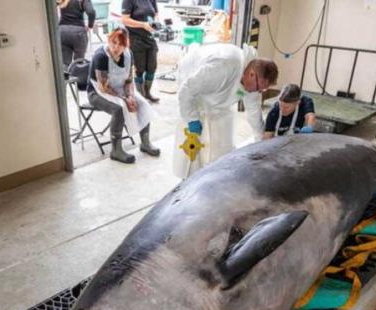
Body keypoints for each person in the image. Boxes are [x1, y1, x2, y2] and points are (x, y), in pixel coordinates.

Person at [174, 43, 278, 178]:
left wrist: (261, 142)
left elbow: (254, 111)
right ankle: (187, 181)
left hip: (218, 99)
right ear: (252, 74)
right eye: (259, 88)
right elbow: (186, 91)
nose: (258, 92)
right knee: (193, 149)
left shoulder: (254, 79)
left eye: (262, 90)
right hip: (193, 90)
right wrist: (191, 119)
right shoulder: (223, 67)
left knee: (220, 145)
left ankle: (214, 176)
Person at [87, 27, 160, 164]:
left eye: (120, 44)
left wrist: (130, 96)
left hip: (120, 89)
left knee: (142, 103)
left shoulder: (128, 54)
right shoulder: (101, 56)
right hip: (97, 93)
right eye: (113, 42)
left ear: (126, 45)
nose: (116, 47)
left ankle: (145, 143)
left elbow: (128, 79)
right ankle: (116, 150)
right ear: (109, 40)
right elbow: (104, 87)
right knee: (118, 109)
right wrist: (125, 100)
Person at [121, 0, 160, 102]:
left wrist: (154, 23)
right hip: (136, 39)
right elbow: (125, 20)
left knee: (152, 67)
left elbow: (155, 14)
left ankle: (147, 93)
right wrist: (143, 25)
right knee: (139, 69)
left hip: (150, 38)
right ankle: (141, 96)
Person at [58, 0, 96, 70]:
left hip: (62, 31)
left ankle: (66, 79)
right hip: (78, 32)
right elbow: (91, 12)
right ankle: (78, 79)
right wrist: (90, 25)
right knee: (79, 63)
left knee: (64, 64)